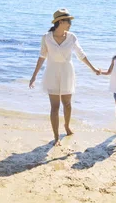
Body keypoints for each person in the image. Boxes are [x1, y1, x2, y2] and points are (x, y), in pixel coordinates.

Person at [29, 9, 101, 146]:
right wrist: (34, 76)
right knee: (54, 107)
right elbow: (42, 57)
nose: (70, 24)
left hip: (67, 72)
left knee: (67, 104)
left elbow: (81, 55)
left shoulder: (72, 37)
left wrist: (93, 69)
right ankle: (56, 137)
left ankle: (67, 126)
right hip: (52, 72)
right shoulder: (46, 37)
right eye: (68, 21)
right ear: (60, 21)